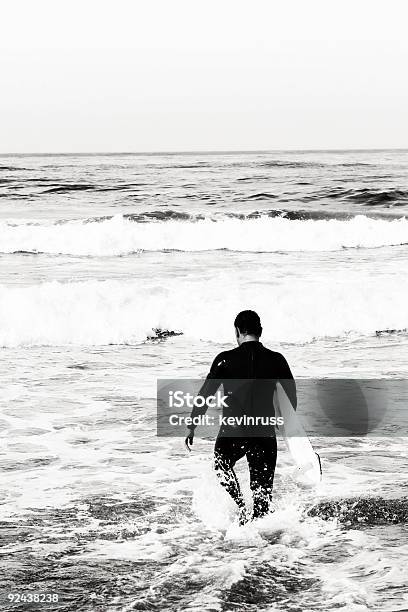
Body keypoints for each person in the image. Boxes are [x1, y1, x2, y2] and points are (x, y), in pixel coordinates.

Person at [185, 310, 296, 524]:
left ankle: (242, 506)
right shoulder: (277, 360)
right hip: (264, 432)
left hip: (233, 432)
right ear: (260, 331)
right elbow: (291, 399)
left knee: (221, 464)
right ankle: (265, 545)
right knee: (263, 500)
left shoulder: (224, 360)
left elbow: (205, 395)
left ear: (237, 331)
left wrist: (192, 425)